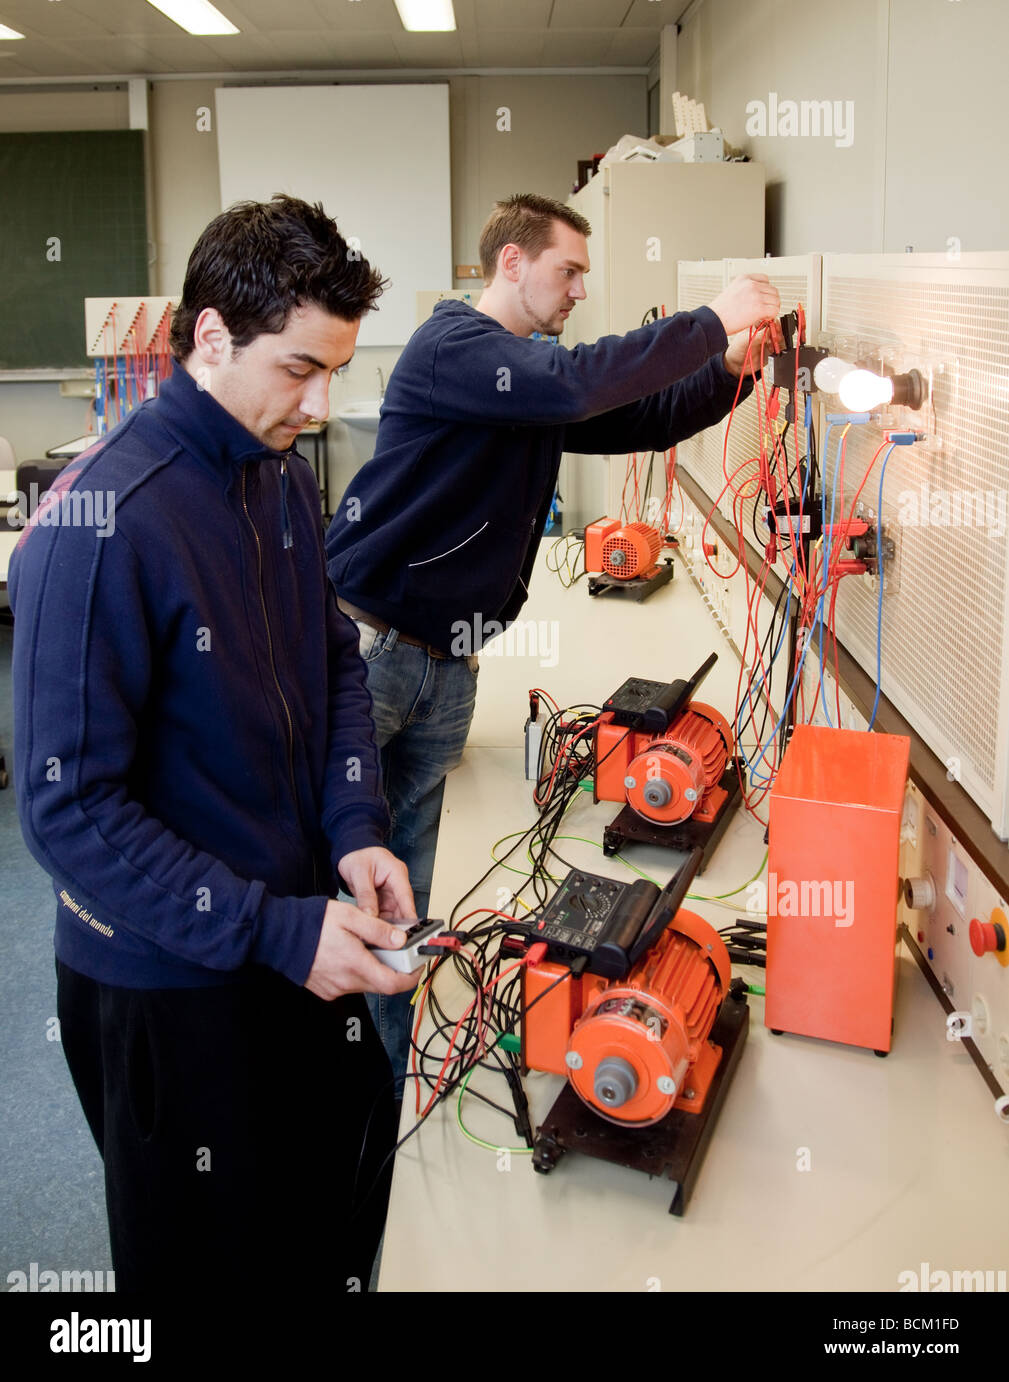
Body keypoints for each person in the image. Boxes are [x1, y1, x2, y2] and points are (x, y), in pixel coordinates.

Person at [9, 194, 419, 1293]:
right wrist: (269, 930)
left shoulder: (277, 471)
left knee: (318, 1210)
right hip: (171, 983)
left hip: (288, 935)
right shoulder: (104, 527)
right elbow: (69, 813)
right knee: (206, 1261)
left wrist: (354, 825)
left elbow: (333, 657)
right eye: (298, 369)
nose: (322, 402)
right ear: (209, 338)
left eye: (334, 369)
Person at [326, 192, 781, 1079]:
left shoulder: (522, 377)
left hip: (444, 662)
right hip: (370, 650)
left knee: (404, 878)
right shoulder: (453, 347)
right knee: (326, 858)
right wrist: (706, 319)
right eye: (567, 270)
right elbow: (571, 381)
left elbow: (634, 417)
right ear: (511, 263)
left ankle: (379, 1068)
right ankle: (305, 1055)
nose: (578, 289)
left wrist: (734, 369)